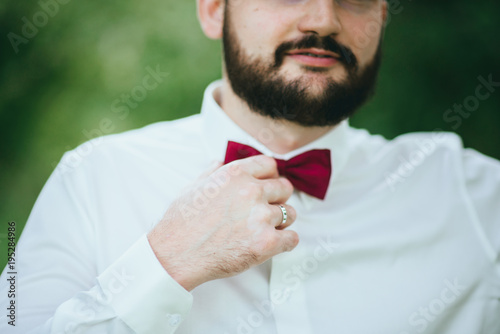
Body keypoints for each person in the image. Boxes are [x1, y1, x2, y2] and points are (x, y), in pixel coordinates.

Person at [1, 0, 499, 333]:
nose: (323, 19)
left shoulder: (471, 197)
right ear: (215, 9)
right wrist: (164, 265)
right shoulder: (93, 178)